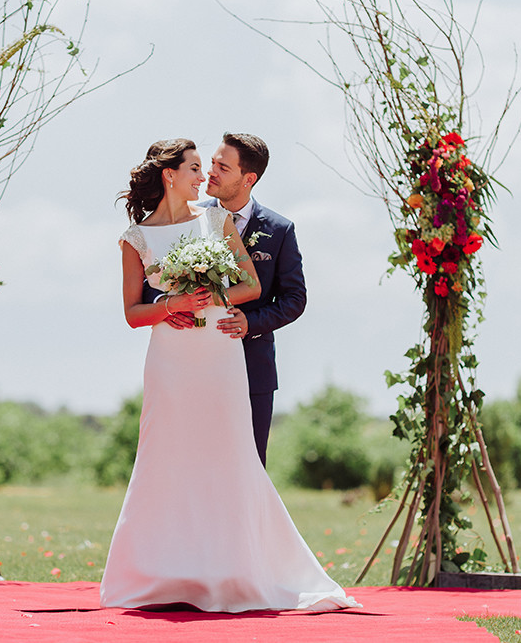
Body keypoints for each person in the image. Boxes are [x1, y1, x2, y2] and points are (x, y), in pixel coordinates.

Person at [100, 138, 358, 613]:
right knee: (167, 457)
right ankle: (160, 574)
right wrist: (168, 305)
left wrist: (206, 292)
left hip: (219, 354)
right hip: (170, 361)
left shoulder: (215, 220)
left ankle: (237, 571)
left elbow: (251, 286)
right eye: (197, 168)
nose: (205, 177)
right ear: (169, 175)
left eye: (211, 167)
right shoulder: (134, 238)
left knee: (228, 456)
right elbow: (132, 312)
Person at [147, 132, 305, 467]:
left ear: (249, 179)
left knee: (249, 467)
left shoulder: (280, 230)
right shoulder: (188, 217)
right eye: (212, 162)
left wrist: (252, 323)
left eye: (223, 166)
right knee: (195, 463)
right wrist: (166, 310)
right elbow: (154, 275)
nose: (210, 172)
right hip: (195, 360)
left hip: (253, 367)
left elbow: (294, 299)